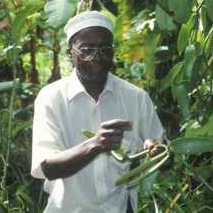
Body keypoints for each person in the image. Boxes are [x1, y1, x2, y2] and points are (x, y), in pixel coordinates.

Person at [31, 11, 166, 212]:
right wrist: (95, 144)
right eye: (86, 49)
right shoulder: (51, 98)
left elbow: (164, 158)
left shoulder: (136, 98)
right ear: (70, 52)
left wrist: (159, 151)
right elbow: (47, 167)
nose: (97, 58)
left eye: (105, 49)